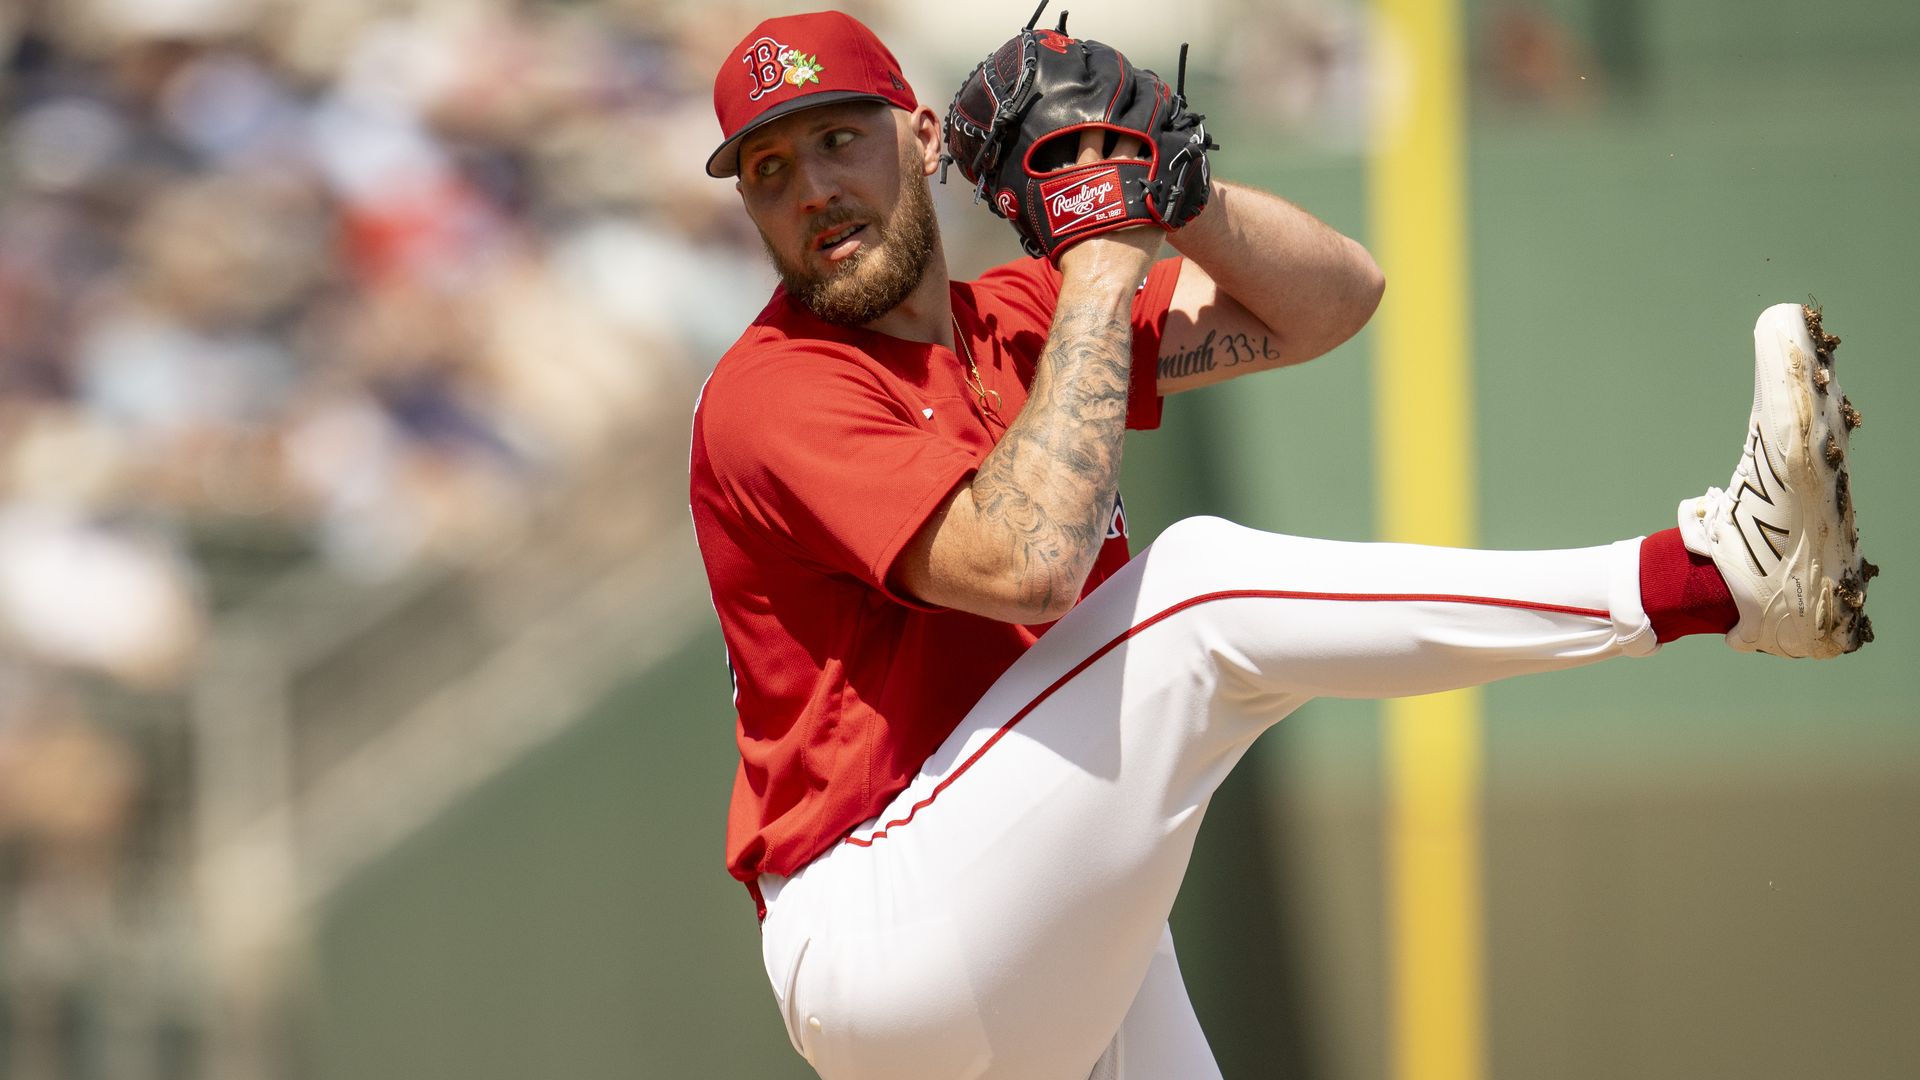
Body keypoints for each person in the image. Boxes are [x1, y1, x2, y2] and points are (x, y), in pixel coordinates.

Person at [687, 11, 1874, 1080]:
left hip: (1033, 917)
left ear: (924, 136)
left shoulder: (1016, 324)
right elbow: (1031, 563)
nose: (810, 191)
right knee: (1196, 598)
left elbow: (1334, 299)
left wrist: (1174, 196)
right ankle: (1710, 578)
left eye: (838, 138)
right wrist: (1104, 256)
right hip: (889, 928)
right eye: (770, 170)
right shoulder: (774, 393)